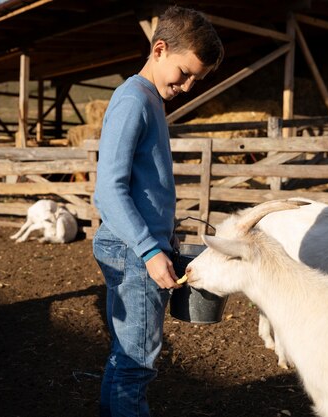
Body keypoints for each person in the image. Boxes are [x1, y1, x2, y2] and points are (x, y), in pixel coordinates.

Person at [92, 5, 224, 416]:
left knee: (127, 353)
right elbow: (108, 191)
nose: (187, 86)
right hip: (134, 251)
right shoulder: (133, 99)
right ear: (160, 49)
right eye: (184, 73)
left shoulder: (150, 98)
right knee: (138, 361)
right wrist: (151, 251)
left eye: (195, 81)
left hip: (140, 245)